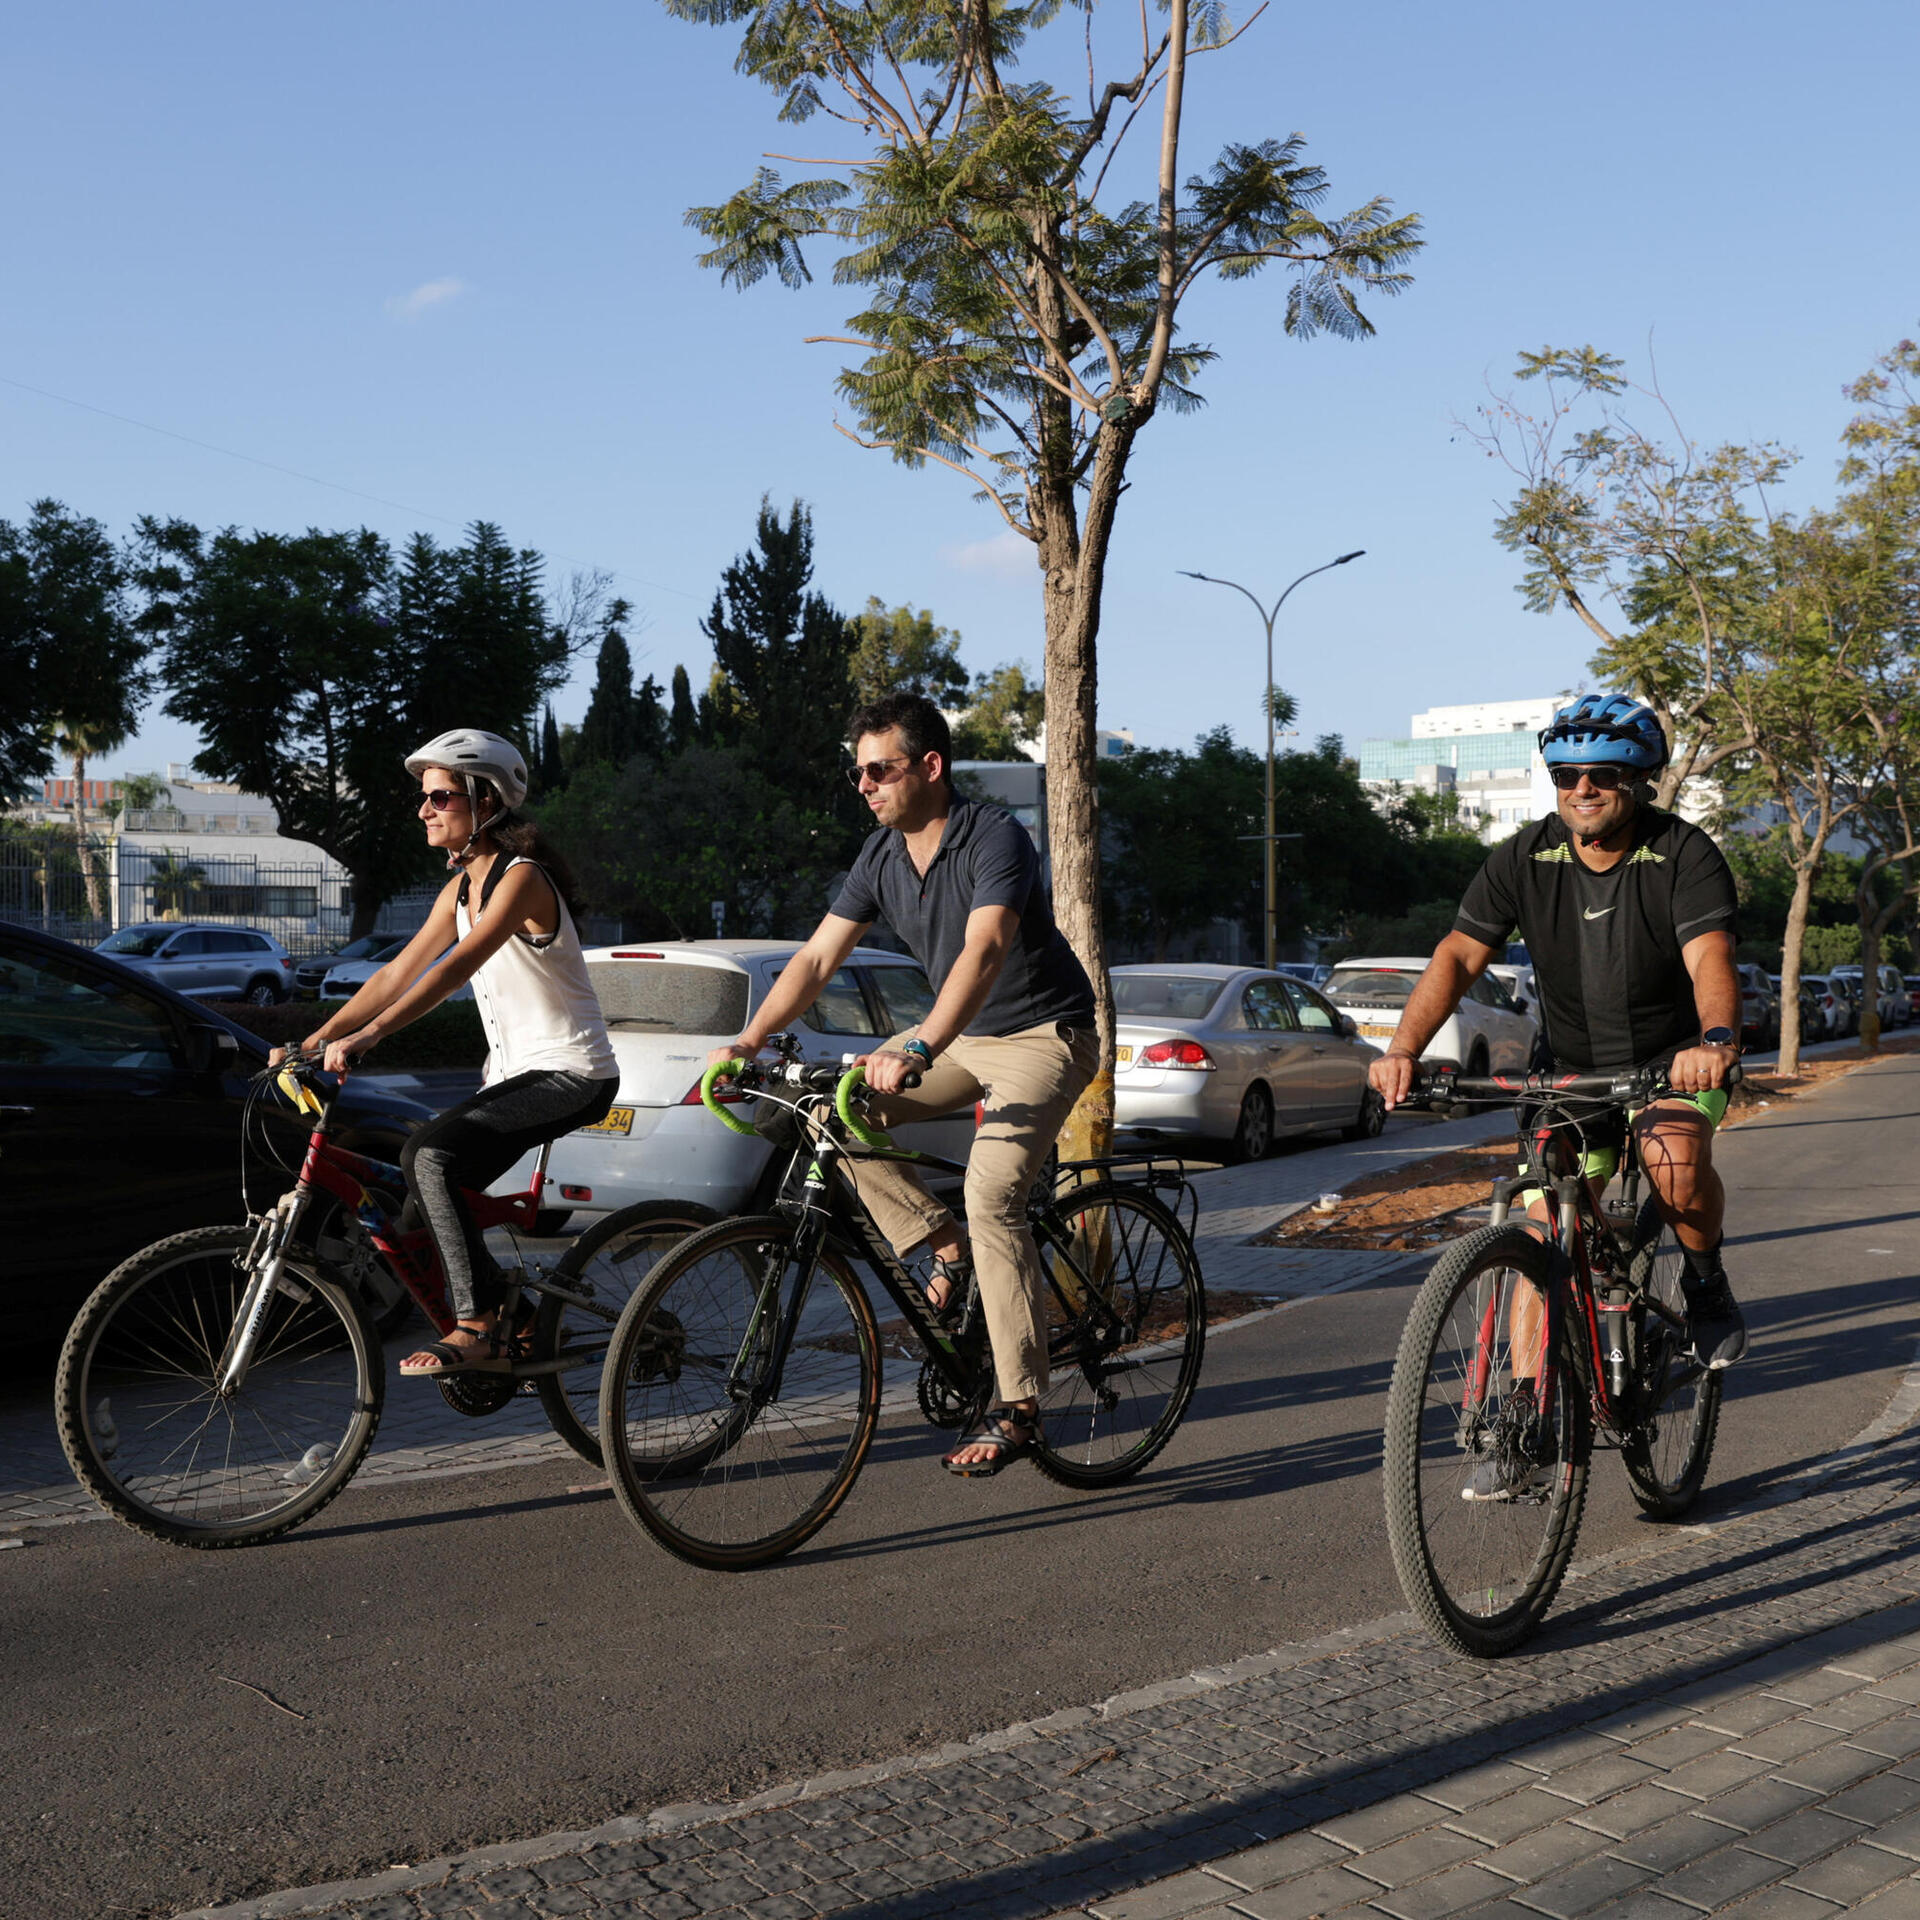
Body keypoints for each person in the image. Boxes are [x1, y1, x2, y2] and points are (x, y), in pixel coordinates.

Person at [709, 691, 1098, 1477]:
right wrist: (748, 1042)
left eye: (878, 770)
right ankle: (939, 1240)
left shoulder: (995, 837)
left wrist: (918, 1041)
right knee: (826, 1117)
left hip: (1043, 1036)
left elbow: (985, 949)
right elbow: (818, 959)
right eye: (857, 774)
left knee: (993, 1194)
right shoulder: (881, 857)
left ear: (929, 766)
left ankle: (1019, 1403)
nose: (864, 786)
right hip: (964, 1039)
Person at [1368, 693, 1748, 1496]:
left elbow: (1709, 955)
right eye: (1566, 774)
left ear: (1638, 781)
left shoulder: (1682, 853)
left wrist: (1713, 1043)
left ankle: (1706, 1283)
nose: (1582, 788)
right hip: (1568, 1071)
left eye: (1601, 775)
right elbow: (1459, 954)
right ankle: (1525, 1423)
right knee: (1540, 1224)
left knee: (1672, 1157)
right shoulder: (1524, 857)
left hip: (1668, 1063)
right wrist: (1403, 1049)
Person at [279, 729, 618, 1376]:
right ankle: (516, 1316)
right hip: (518, 1074)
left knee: (427, 1155)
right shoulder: (461, 888)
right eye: (424, 797)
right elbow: (393, 975)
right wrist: (314, 1040)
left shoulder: (522, 880)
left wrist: (370, 1037)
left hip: (572, 1072)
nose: (424, 809)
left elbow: (456, 967)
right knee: (418, 1199)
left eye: (440, 796)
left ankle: (481, 1322)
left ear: (485, 802)